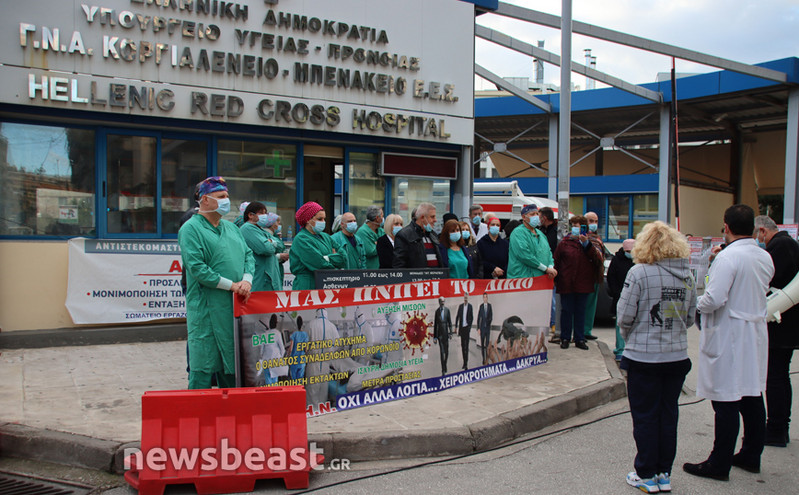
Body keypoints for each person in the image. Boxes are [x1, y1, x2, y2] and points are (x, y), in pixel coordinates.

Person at [683, 204, 774, 481]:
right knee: (752, 396)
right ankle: (750, 454)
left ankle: (718, 463)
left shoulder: (728, 257)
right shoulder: (763, 256)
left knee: (725, 400)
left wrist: (692, 303)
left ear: (727, 227)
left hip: (729, 334)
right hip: (754, 331)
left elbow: (713, 298)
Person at [617, 222, 696, 493]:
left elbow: (625, 315)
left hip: (644, 357)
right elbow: (689, 317)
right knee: (668, 414)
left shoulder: (639, 272)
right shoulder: (687, 275)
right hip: (676, 356)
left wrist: (633, 336)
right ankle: (664, 472)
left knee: (645, 416)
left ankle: (646, 473)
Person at [178, 176, 254, 389]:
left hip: (232, 309)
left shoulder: (231, 229)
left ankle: (230, 416)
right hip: (207, 310)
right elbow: (198, 268)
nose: (226, 201)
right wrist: (232, 286)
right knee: (204, 365)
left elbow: (248, 255)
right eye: (221, 196)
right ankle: (198, 416)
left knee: (231, 366)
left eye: (227, 196)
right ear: (204, 200)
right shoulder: (191, 229)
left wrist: (247, 280)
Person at [754, 215, 799, 447]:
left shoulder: (780, 246)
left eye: (757, 236)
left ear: (763, 231)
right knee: (779, 377)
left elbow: (770, 279)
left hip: (781, 325)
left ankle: (776, 429)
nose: (757, 240)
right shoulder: (788, 244)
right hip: (787, 324)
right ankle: (780, 427)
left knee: (775, 378)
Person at [554, 215, 603, 350]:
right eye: (574, 225)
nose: (576, 228)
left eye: (579, 226)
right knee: (566, 311)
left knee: (581, 311)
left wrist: (586, 244)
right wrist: (556, 279)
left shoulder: (591, 241)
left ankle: (580, 338)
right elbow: (556, 261)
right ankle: (565, 338)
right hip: (566, 282)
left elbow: (597, 258)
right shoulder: (565, 242)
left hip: (584, 282)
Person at [289, 201, 346, 290]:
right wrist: (333, 258)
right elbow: (318, 264)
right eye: (320, 219)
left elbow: (344, 257)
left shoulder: (325, 236)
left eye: (324, 219)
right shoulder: (301, 239)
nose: (323, 222)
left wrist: (326, 258)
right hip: (307, 285)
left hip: (325, 283)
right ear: (308, 220)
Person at [240, 203, 287, 292]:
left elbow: (280, 246)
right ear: (250, 215)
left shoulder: (260, 230)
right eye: (261, 213)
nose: (264, 216)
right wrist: (271, 243)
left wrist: (270, 242)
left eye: (265, 213)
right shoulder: (247, 229)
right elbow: (266, 249)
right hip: (260, 280)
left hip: (270, 279)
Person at [507, 204, 557, 281]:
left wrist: (550, 267)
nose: (536, 216)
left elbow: (548, 252)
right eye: (532, 214)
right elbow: (525, 255)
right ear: (524, 217)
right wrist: (545, 268)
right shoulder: (518, 233)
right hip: (522, 279)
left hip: (540, 279)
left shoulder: (541, 234)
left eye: (537, 214)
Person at [607, 239, 635, 361]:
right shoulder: (617, 260)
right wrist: (616, 292)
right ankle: (620, 349)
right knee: (620, 323)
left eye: (631, 251)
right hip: (620, 296)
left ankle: (631, 349)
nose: (629, 253)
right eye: (627, 251)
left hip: (635, 297)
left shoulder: (639, 261)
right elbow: (611, 277)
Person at [393, 202, 441, 268]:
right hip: (416, 277)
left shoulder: (433, 235)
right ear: (422, 217)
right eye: (432, 217)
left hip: (436, 277)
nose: (435, 220)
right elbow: (399, 264)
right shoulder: (404, 235)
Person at [538, 206, 559, 343]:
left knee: (553, 300)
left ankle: (553, 323)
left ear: (544, 218)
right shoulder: (542, 231)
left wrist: (550, 267)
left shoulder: (555, 232)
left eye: (539, 216)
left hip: (552, 270)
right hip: (544, 269)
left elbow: (551, 251)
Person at [582, 211, 605, 341]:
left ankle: (587, 329)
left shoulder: (597, 237)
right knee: (584, 304)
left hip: (596, 276)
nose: (594, 224)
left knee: (591, 305)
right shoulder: (583, 238)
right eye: (591, 221)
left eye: (595, 221)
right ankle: (582, 330)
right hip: (586, 276)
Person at [356, 205, 385, 269]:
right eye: (382, 216)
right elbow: (370, 251)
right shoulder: (362, 232)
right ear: (377, 218)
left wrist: (377, 244)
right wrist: (381, 244)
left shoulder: (380, 230)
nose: (383, 218)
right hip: (369, 271)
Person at [433, 297, 452, 375]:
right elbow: (435, 325)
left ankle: (445, 365)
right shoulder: (437, 312)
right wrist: (435, 337)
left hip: (446, 335)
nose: (443, 302)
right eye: (441, 301)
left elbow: (450, 322)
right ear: (439, 302)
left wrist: (450, 333)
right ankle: (443, 369)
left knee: (447, 352)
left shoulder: (447, 310)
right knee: (442, 352)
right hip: (440, 335)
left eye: (444, 301)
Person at [456, 294, 474, 370]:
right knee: (463, 346)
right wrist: (456, 326)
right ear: (463, 298)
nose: (465, 298)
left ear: (468, 298)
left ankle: (466, 363)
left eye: (466, 297)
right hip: (462, 329)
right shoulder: (460, 306)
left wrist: (469, 326)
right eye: (464, 297)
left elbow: (472, 317)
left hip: (467, 329)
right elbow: (457, 316)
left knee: (467, 346)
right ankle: (464, 362)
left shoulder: (470, 306)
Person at [477, 293, 493, 365]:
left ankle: (487, 360)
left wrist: (488, 323)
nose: (485, 298)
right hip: (482, 329)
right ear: (483, 298)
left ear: (487, 298)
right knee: (482, 345)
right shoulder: (481, 307)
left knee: (487, 345)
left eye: (486, 297)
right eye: (484, 297)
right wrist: (478, 328)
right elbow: (478, 318)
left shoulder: (489, 306)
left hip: (487, 329)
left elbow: (491, 316)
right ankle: (483, 359)